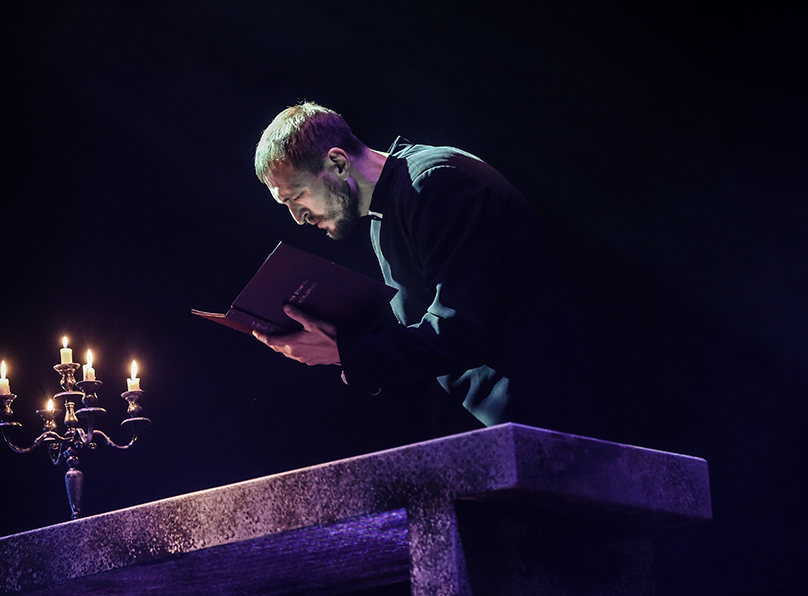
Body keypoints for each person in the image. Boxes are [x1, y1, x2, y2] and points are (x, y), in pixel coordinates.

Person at [252, 102, 604, 437]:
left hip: (534, 425)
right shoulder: (384, 216)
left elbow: (461, 330)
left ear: (338, 163)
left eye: (297, 196)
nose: (298, 218)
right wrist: (341, 343)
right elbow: (431, 346)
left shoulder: (435, 182)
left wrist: (348, 351)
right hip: (488, 431)